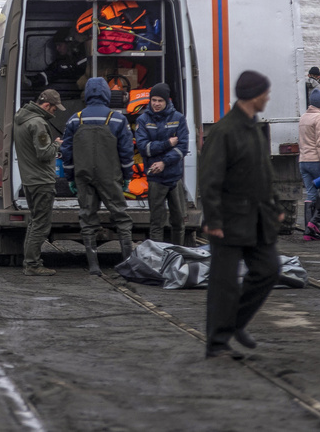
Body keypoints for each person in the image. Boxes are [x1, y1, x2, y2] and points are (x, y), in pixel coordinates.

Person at [200, 71, 282, 360]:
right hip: (229, 219)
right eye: (266, 93)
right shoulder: (225, 131)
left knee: (269, 269)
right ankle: (217, 344)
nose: (268, 97)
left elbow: (264, 174)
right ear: (255, 95)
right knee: (224, 283)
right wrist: (213, 219)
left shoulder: (253, 128)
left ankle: (235, 323)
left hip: (258, 217)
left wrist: (277, 208)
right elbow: (209, 179)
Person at [60, 77, 135, 275]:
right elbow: (126, 152)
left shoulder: (75, 119)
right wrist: (127, 176)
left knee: (87, 217)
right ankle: (127, 264)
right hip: (110, 177)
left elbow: (66, 152)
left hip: (83, 177)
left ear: (87, 94)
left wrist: (70, 178)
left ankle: (93, 265)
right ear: (106, 94)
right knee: (121, 217)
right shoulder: (118, 119)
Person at [14, 89, 65, 277]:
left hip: (29, 180)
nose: (55, 112)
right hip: (41, 181)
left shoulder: (22, 119)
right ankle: (33, 264)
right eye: (54, 108)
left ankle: (30, 262)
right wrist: (58, 144)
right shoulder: (38, 123)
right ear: (46, 105)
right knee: (41, 225)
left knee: (35, 222)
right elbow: (44, 153)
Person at [135, 82, 190, 246]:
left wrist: (164, 162)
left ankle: (177, 256)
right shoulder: (143, 120)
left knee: (179, 222)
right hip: (155, 180)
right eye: (153, 100)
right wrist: (168, 143)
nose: (156, 104)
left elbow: (183, 148)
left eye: (160, 100)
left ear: (167, 101)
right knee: (156, 223)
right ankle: (156, 261)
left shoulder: (178, 118)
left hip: (174, 179)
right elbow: (144, 149)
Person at [298, 88, 320, 241]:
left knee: (311, 194)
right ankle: (313, 224)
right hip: (316, 161)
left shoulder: (303, 117)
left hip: (303, 161)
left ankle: (308, 232)